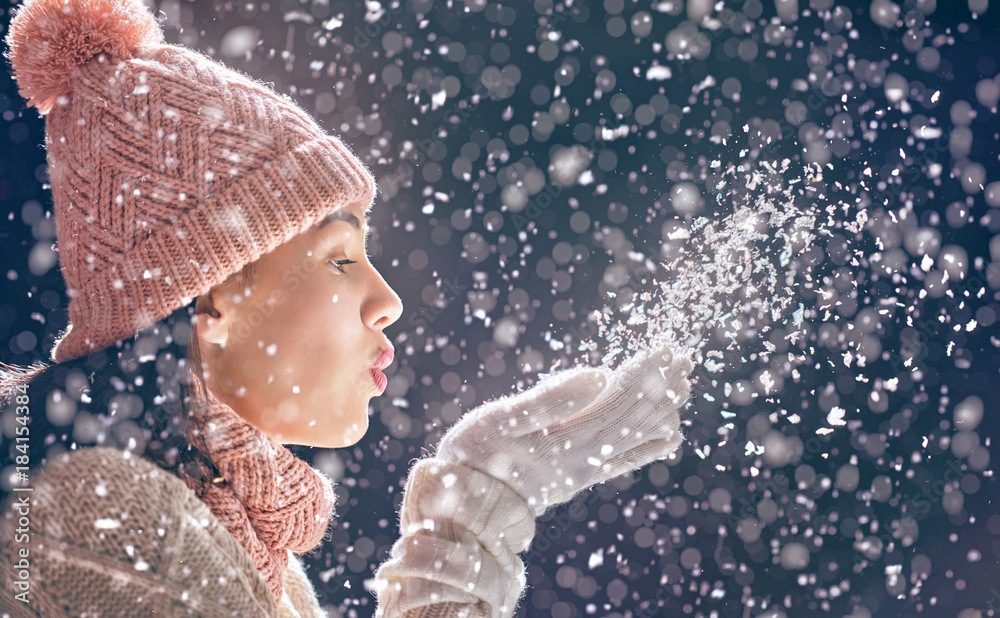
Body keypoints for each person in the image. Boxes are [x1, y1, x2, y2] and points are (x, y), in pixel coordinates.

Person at [0, 0, 693, 616]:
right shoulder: (107, 519)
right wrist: (466, 533)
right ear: (210, 301)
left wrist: (467, 518)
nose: (387, 300)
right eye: (340, 258)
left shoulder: (243, 546)